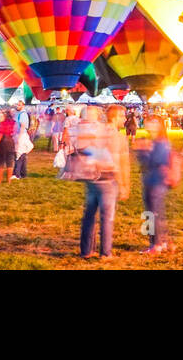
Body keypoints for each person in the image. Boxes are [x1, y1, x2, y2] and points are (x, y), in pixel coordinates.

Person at [77, 108, 120, 259]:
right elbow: (112, 157)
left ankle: (86, 250)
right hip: (106, 179)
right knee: (106, 217)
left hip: (91, 178)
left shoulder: (81, 131)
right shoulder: (105, 132)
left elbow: (81, 151)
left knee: (89, 215)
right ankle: (105, 252)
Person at [134, 115, 178, 254]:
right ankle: (161, 242)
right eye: (148, 122)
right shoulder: (156, 142)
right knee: (154, 213)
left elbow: (154, 162)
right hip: (152, 180)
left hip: (156, 181)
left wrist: (142, 151)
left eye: (153, 123)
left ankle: (156, 245)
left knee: (151, 213)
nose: (149, 125)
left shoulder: (161, 143)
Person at [0, 109, 15, 183]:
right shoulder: (13, 122)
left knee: (1, 162)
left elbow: (0, 135)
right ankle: (9, 180)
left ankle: (0, 180)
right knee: (10, 162)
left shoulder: (2, 124)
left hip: (2, 143)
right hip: (11, 142)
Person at [13, 101, 32, 180]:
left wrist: (19, 137)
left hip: (21, 135)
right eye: (17, 104)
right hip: (21, 135)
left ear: (23, 105)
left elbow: (22, 126)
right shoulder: (21, 114)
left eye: (19, 105)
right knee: (22, 155)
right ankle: (23, 173)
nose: (17, 106)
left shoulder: (22, 114)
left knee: (19, 154)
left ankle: (17, 174)